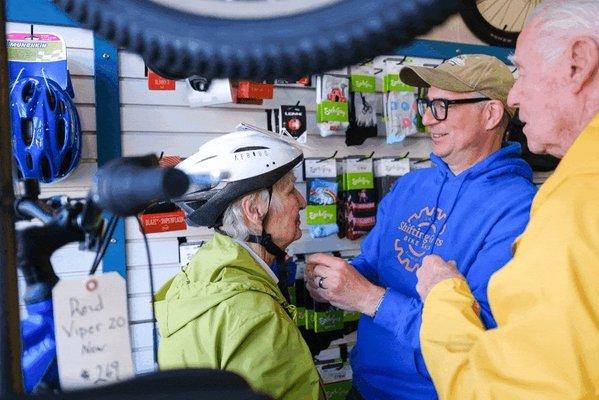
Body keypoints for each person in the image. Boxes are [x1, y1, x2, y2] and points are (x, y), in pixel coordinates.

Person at [305, 55, 537, 399]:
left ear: (491, 113)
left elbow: (481, 334)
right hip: (365, 387)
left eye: (442, 105)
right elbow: (373, 265)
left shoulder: (521, 209)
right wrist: (336, 280)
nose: (426, 118)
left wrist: (368, 298)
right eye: (427, 103)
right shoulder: (412, 186)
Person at [415, 1, 599, 399]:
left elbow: (508, 391)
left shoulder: (577, 204)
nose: (515, 95)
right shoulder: (574, 191)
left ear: (579, 62)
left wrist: (442, 295)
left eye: (524, 72)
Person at [154, 127, 325, 400]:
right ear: (254, 211)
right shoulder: (254, 315)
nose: (302, 202)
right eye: (291, 190)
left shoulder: (198, 277)